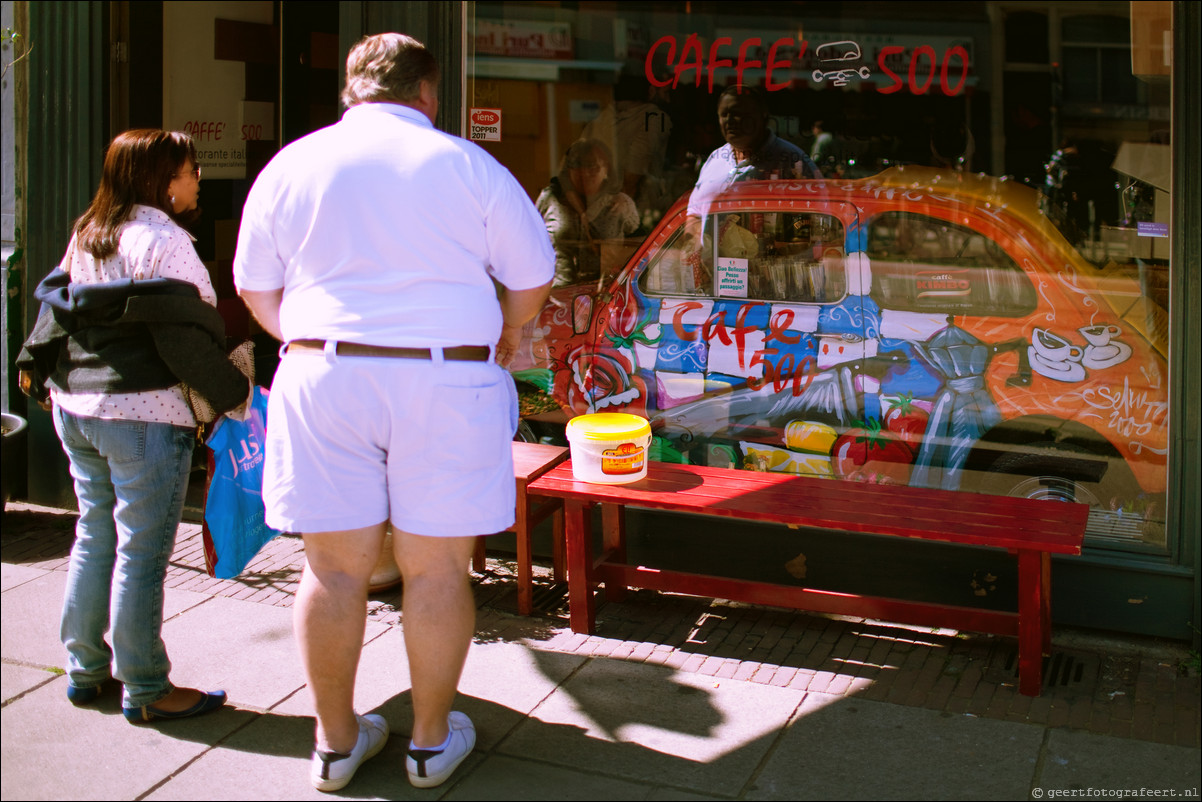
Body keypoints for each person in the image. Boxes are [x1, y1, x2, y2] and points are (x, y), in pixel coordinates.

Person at [232, 33, 554, 792]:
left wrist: (310, 344)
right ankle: (430, 744)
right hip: (444, 377)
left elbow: (254, 286)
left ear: (351, 91)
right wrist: (507, 333)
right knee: (436, 567)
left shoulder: (294, 163)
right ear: (429, 95)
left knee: (333, 569)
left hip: (324, 374)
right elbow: (534, 273)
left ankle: (337, 743)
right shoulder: (468, 164)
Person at [16, 129, 252, 723]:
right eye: (189, 170)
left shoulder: (88, 232)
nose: (197, 179)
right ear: (161, 181)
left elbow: (55, 313)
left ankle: (84, 670)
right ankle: (146, 688)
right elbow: (188, 342)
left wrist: (30, 363)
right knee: (143, 553)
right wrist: (237, 393)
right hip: (144, 415)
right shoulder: (166, 242)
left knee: (96, 534)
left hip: (77, 408)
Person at [687, 85, 823, 222]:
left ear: (763, 115)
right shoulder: (715, 159)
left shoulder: (793, 161)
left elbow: (821, 217)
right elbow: (693, 213)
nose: (729, 120)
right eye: (724, 114)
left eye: (738, 113)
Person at [537, 139, 639, 287]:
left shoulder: (621, 203)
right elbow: (529, 242)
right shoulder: (550, 198)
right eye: (577, 166)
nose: (584, 173)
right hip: (556, 293)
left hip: (605, 294)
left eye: (592, 166)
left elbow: (638, 246)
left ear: (607, 170)